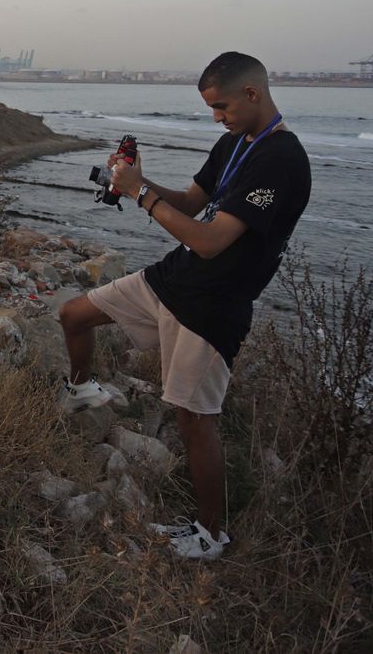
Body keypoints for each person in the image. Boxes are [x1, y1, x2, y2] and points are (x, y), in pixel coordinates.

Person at [55, 51, 311, 560]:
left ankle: (210, 535)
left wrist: (141, 198)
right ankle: (81, 389)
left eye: (221, 107)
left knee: (194, 420)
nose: (216, 117)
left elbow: (212, 240)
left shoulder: (282, 160)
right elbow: (191, 203)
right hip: (173, 277)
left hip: (212, 305)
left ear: (252, 94)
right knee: (73, 314)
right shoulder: (233, 142)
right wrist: (137, 183)